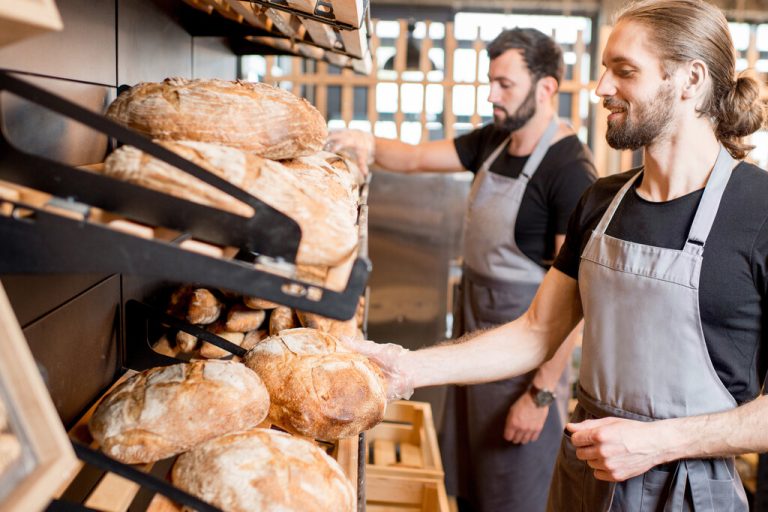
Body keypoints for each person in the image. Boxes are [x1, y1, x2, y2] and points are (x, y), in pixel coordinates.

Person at [341, 1, 768, 510]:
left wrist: (658, 443)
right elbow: (537, 331)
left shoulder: (759, 212)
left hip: (691, 493)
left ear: (690, 79)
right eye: (605, 70)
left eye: (624, 71)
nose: (600, 89)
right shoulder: (601, 202)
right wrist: (406, 368)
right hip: (583, 479)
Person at [328, 28, 596, 511]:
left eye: (505, 85)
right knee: (471, 489)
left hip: (522, 370)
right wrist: (361, 139)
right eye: (490, 81)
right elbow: (411, 159)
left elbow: (574, 306)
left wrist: (537, 397)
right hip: (475, 351)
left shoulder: (570, 171)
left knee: (512, 495)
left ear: (546, 88)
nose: (492, 95)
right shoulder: (496, 140)